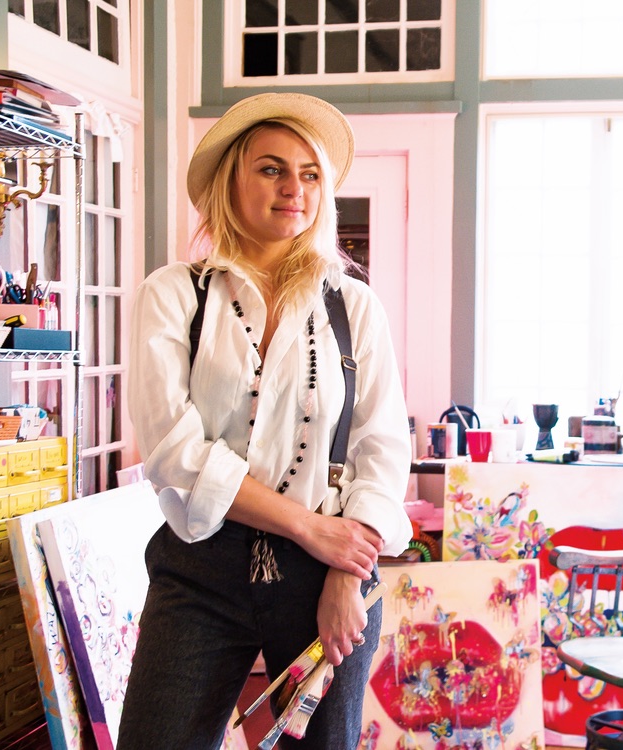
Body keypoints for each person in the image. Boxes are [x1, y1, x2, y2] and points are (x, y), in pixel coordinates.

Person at [118, 93, 413, 749]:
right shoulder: (174, 295)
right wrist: (311, 529)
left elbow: (383, 449)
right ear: (233, 179)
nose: (294, 190)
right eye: (272, 169)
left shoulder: (353, 306)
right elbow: (172, 449)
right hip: (200, 569)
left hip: (324, 582)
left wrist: (344, 573)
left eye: (310, 174)